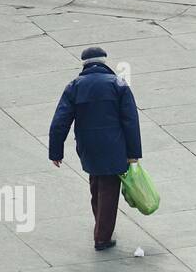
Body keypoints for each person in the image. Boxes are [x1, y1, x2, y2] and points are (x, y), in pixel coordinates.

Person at [48, 46, 142, 251]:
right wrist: (133, 154)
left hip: (88, 146)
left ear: (84, 64)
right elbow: (130, 121)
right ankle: (102, 237)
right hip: (114, 146)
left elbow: (60, 121)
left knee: (96, 185)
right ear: (104, 62)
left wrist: (56, 151)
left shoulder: (74, 86)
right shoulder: (118, 84)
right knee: (109, 189)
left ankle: (100, 226)